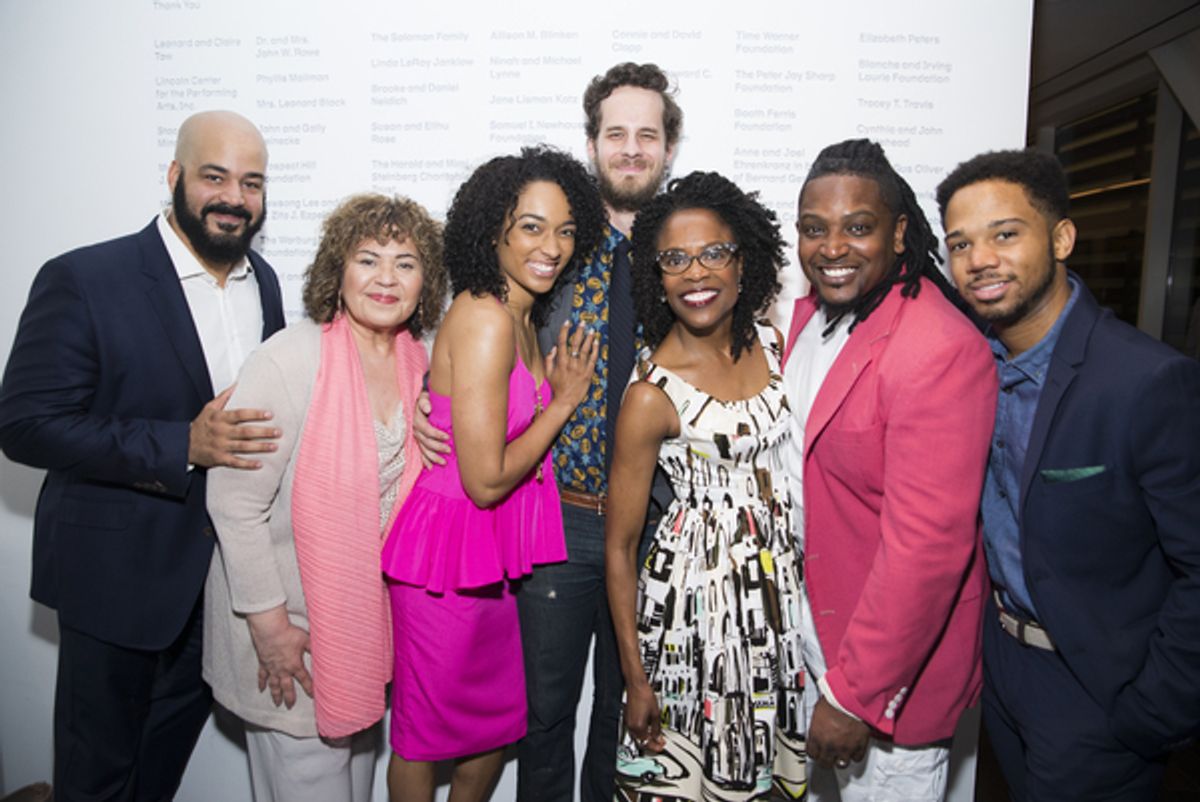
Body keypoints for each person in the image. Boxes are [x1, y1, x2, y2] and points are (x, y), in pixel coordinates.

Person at [414, 62, 685, 802]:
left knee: (624, 717)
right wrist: (426, 399)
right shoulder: (553, 248)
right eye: (616, 133)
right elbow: (478, 344)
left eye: (648, 135)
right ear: (593, 143)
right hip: (557, 519)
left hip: (654, 521)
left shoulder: (684, 249)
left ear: (668, 148)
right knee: (543, 717)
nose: (631, 149)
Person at [0, 110, 285, 801]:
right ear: (175, 175)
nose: (234, 198)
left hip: (219, 590)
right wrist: (180, 444)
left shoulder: (266, 282)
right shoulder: (85, 277)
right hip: (115, 580)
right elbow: (25, 424)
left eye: (251, 183)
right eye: (215, 177)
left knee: (158, 778)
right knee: (96, 779)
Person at [937, 149, 1200, 801]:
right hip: (1003, 665)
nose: (980, 260)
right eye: (961, 244)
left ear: (1061, 238)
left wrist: (1154, 711)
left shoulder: (1144, 380)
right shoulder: (969, 365)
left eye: (1005, 234)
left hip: (1098, 689)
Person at [202, 194, 447, 801]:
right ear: (338, 271)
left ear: (426, 281)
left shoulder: (421, 363)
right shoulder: (288, 360)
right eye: (368, 259)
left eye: (405, 263)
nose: (386, 278)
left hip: (365, 634)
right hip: (289, 636)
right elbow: (234, 504)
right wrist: (269, 627)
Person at [382, 146, 606, 802]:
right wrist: (563, 402)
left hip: (492, 554)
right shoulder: (485, 317)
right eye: (532, 227)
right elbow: (484, 480)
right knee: (425, 737)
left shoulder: (521, 314)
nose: (552, 247)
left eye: (566, 230)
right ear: (492, 232)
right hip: (445, 560)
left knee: (493, 731)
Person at [783, 139, 996, 801]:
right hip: (812, 632)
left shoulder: (938, 347)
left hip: (880, 671)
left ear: (900, 232)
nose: (832, 247)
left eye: (857, 227)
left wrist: (856, 694)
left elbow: (926, 550)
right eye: (814, 229)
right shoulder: (807, 318)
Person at [606, 171, 806, 800]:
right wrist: (636, 678)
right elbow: (620, 547)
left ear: (743, 261)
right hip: (692, 616)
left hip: (778, 598)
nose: (696, 273)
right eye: (675, 259)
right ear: (657, 276)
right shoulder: (650, 394)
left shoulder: (777, 346)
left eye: (714, 252)